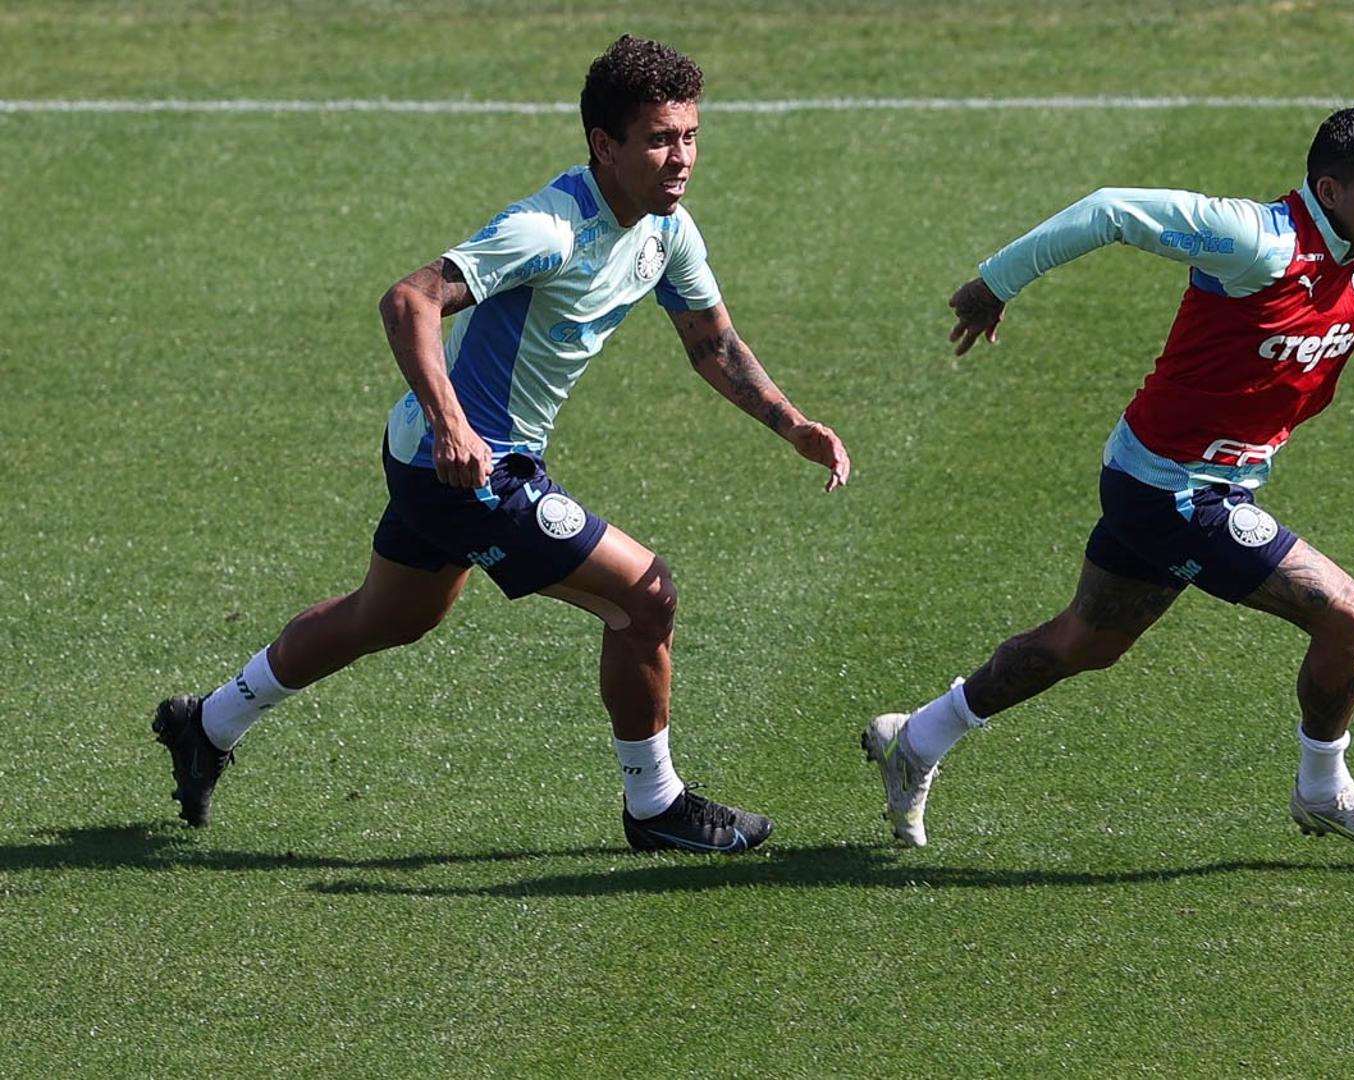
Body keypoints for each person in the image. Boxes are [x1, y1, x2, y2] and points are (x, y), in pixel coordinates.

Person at [152, 36, 849, 854]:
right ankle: (656, 806)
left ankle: (207, 723)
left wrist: (791, 423)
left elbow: (711, 343)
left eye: (690, 135)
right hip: (467, 464)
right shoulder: (548, 229)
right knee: (646, 597)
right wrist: (452, 423)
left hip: (437, 456)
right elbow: (408, 299)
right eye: (660, 139)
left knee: (389, 615)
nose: (681, 157)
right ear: (605, 145)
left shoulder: (668, 232)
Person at [864, 108, 1354, 853]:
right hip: (1175, 491)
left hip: (1172, 478)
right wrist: (997, 282)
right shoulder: (1255, 241)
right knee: (1349, 620)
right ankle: (1323, 788)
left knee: (1087, 641)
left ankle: (916, 738)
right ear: (1330, 190)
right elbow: (1112, 209)